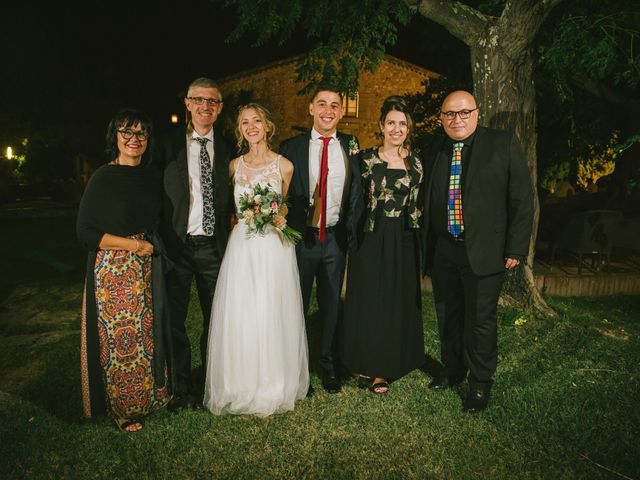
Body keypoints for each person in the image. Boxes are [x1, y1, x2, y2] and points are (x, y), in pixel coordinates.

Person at [422, 90, 534, 412]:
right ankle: (453, 369)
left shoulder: (502, 143)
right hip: (444, 250)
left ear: (477, 113)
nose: (456, 120)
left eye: (463, 113)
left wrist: (516, 246)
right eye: (449, 114)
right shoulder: (436, 149)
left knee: (480, 321)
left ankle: (480, 384)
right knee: (449, 314)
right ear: (441, 118)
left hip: (485, 251)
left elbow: (522, 199)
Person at [203, 103, 309, 415]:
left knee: (271, 309)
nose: (251, 127)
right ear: (240, 130)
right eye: (245, 123)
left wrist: (279, 216)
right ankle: (240, 383)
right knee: (243, 310)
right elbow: (228, 209)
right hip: (242, 247)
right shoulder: (234, 166)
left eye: (257, 121)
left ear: (267, 126)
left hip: (274, 249)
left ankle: (273, 382)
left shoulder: (284, 166)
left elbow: (287, 204)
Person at [77, 108, 171, 432]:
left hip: (146, 267)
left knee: (147, 335)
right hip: (113, 271)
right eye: (126, 133)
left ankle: (149, 397)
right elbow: (86, 232)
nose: (134, 139)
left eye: (140, 133)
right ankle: (122, 410)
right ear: (114, 137)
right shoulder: (103, 177)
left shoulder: (151, 175)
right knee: (121, 342)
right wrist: (133, 247)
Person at [280, 86, 363, 394]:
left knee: (331, 305)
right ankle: (297, 369)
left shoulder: (351, 146)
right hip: (302, 239)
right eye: (322, 104)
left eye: (335, 105)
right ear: (311, 108)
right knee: (295, 305)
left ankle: (328, 366)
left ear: (341, 112)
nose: (329, 110)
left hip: (336, 238)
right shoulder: (291, 147)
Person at [156, 78, 233, 411]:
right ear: (187, 103)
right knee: (173, 320)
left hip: (216, 249)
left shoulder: (230, 148)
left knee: (216, 320)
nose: (205, 106)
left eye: (212, 102)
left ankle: (211, 386)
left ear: (219, 108)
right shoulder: (166, 147)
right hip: (178, 247)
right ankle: (180, 386)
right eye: (198, 100)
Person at [343, 97, 425, 394]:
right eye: (391, 123)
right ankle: (364, 359)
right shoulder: (364, 159)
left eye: (402, 124)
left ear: (408, 128)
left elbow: (419, 203)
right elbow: (351, 201)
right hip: (371, 234)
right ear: (381, 126)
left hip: (403, 236)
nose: (396, 128)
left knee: (395, 299)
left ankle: (385, 368)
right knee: (369, 298)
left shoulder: (415, 162)